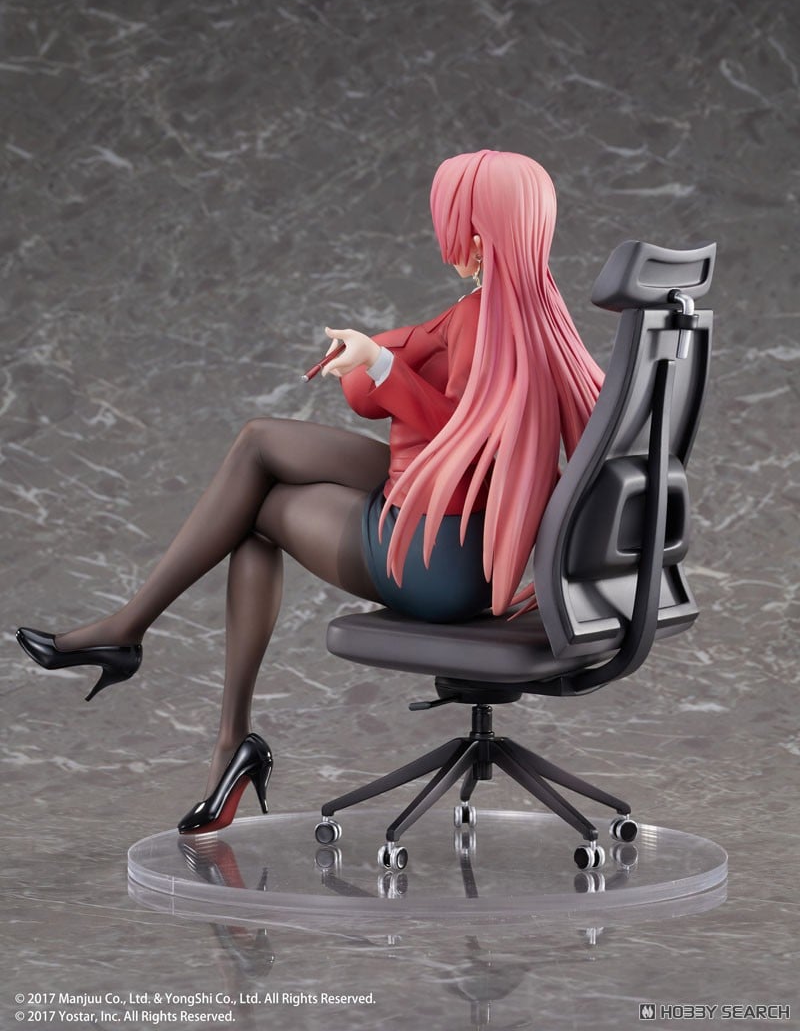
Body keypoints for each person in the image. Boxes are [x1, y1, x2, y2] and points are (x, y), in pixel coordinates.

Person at [16, 149, 603, 835]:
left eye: (452, 223)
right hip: (460, 531)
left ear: (478, 231)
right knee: (260, 445)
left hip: (433, 557)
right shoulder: (532, 314)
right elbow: (376, 395)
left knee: (253, 513)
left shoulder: (484, 321)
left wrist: (380, 362)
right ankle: (157, 666)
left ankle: (169, 678)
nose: (445, 240)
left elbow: (462, 427)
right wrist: (375, 356)